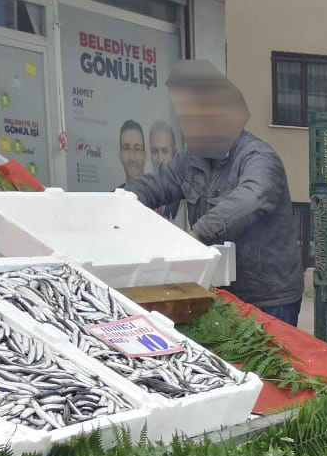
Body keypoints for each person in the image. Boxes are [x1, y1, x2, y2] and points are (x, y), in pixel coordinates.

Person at [120, 61, 303, 326]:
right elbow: (154, 184)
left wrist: (196, 235)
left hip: (269, 298)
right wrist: (118, 201)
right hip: (220, 289)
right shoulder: (192, 159)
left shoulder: (259, 157)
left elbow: (251, 197)